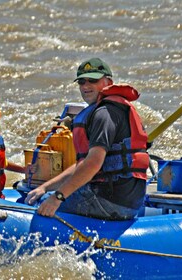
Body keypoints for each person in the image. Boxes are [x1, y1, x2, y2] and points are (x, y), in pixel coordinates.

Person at [25, 58, 149, 220]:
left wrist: (57, 198)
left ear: (108, 82)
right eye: (82, 82)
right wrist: (45, 187)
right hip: (126, 201)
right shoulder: (108, 109)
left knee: (36, 205)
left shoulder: (104, 113)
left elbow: (92, 164)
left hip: (109, 200)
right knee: (40, 195)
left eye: (93, 80)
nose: (86, 86)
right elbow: (84, 165)